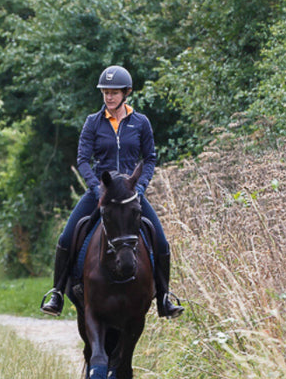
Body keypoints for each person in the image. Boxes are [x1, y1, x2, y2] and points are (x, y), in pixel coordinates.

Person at [40, 65, 183, 318]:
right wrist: (96, 188)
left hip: (130, 195)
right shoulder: (93, 123)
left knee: (160, 240)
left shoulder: (141, 123)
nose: (109, 97)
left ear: (126, 93)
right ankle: (57, 293)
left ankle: (164, 298)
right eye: (105, 92)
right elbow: (83, 159)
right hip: (100, 193)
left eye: (114, 92)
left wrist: (139, 187)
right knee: (66, 238)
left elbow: (149, 158)